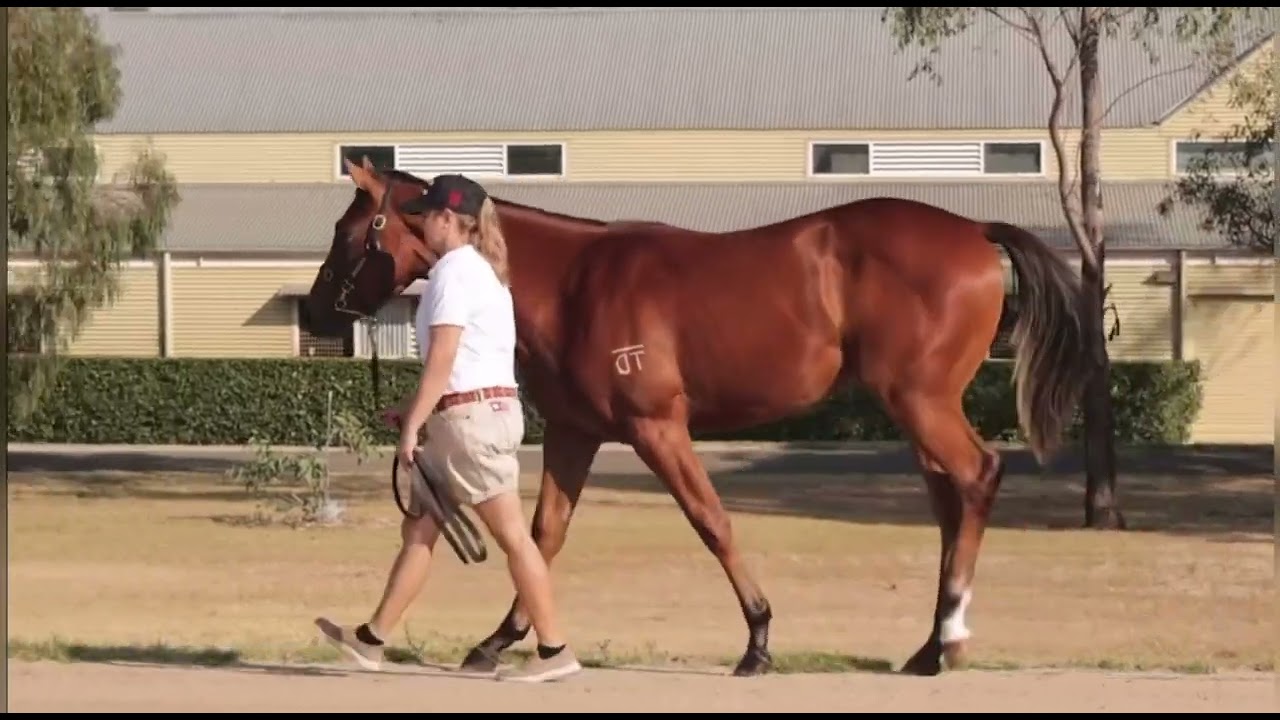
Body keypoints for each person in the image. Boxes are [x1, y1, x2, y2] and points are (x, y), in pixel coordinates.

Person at [314, 173, 581, 683]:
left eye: (428, 214)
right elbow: (462, 365)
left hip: (468, 423)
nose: (422, 222)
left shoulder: (453, 275)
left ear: (446, 220)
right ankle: (372, 640)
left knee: (512, 538)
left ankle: (554, 650)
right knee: (420, 528)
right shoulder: (484, 274)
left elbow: (444, 356)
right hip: (476, 414)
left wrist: (412, 424)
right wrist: (413, 407)